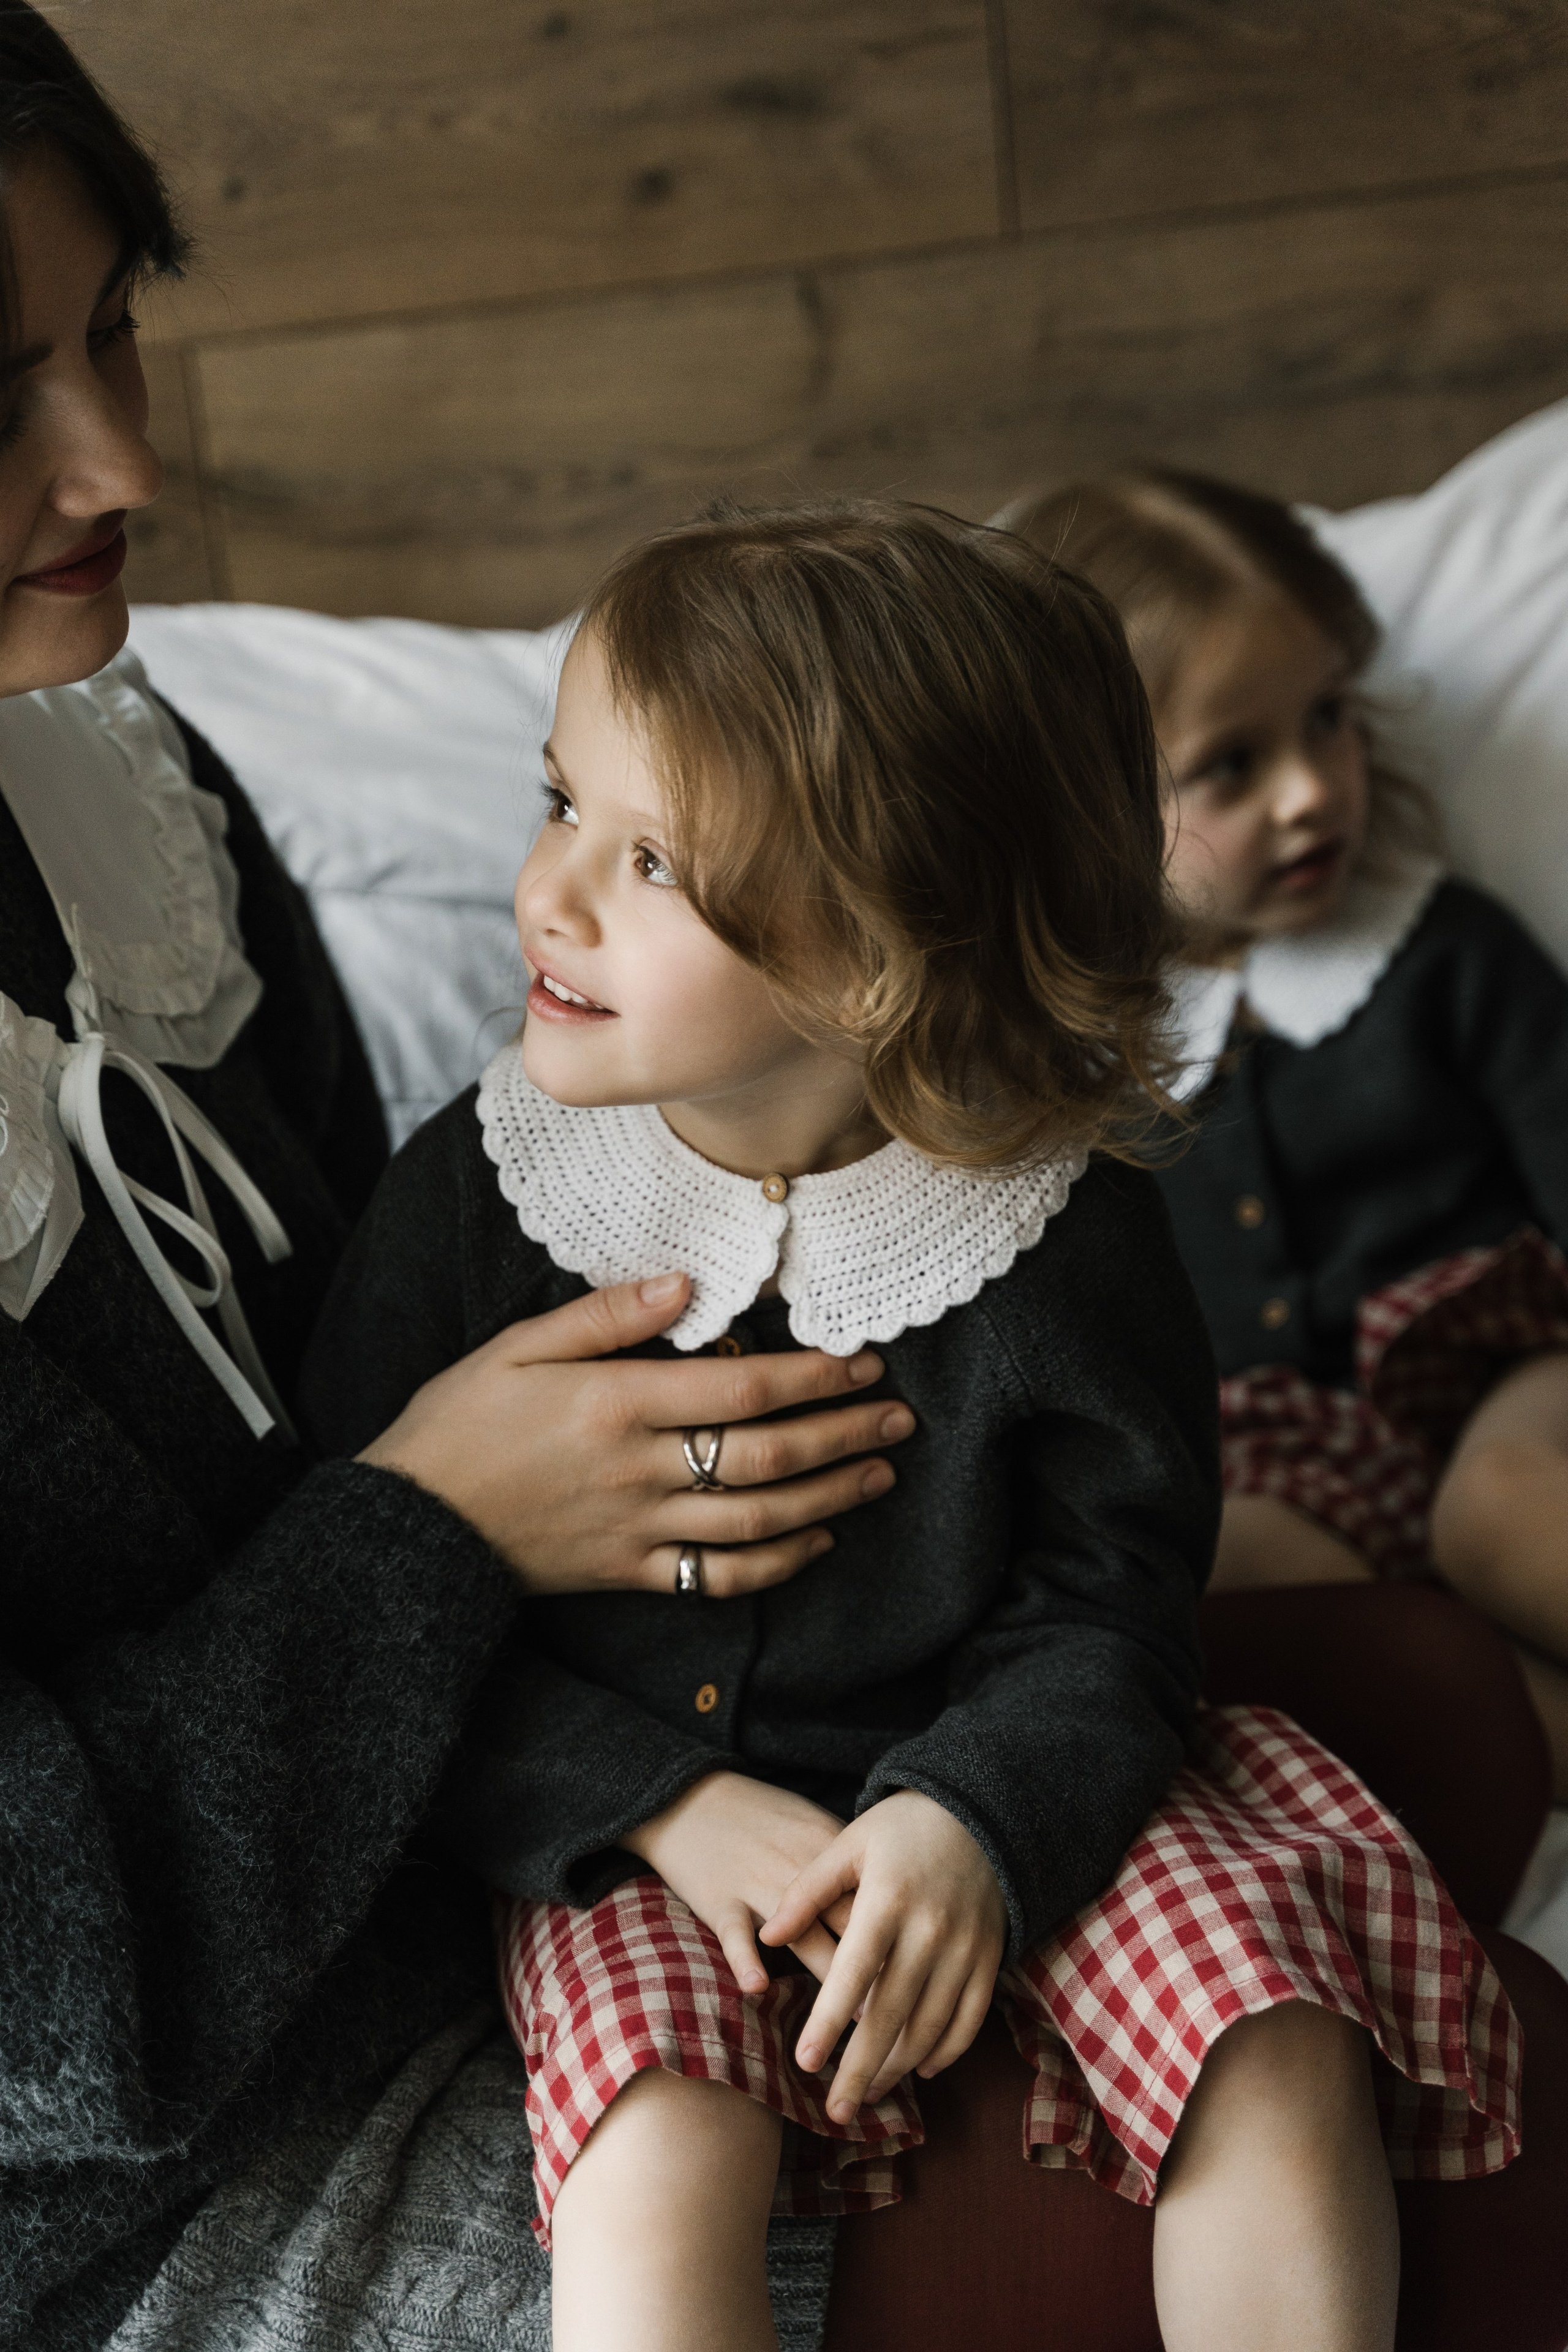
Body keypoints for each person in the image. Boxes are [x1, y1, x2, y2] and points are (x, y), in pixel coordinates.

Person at [303, 498, 1519, 2352]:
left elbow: (1113, 1608)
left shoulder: (1064, 1224)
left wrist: (977, 1818)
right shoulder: (477, 1200)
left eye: (652, 864)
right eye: (563, 804)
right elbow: (375, 1602)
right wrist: (668, 1808)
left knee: (1274, 2044)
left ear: (876, 951)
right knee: (653, 2140)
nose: (547, 891)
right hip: (643, 1832)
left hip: (1025, 1781)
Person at [0, 15, 916, 2344]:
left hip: (469, 1826)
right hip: (158, 2190)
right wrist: (434, 1531)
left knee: (1397, 1746)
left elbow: (374, 1287)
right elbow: (54, 2011)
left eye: (114, 325)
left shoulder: (96, 758)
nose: (126, 457)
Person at [1010, 469, 1568, 1795]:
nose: (1313, 790)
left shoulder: (1438, 954)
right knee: (1239, 1587)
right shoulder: (1081, 1066)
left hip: (1494, 1355)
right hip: (1271, 1444)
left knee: (1497, 1514)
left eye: (1328, 719)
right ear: (1089, 817)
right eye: (1232, 766)